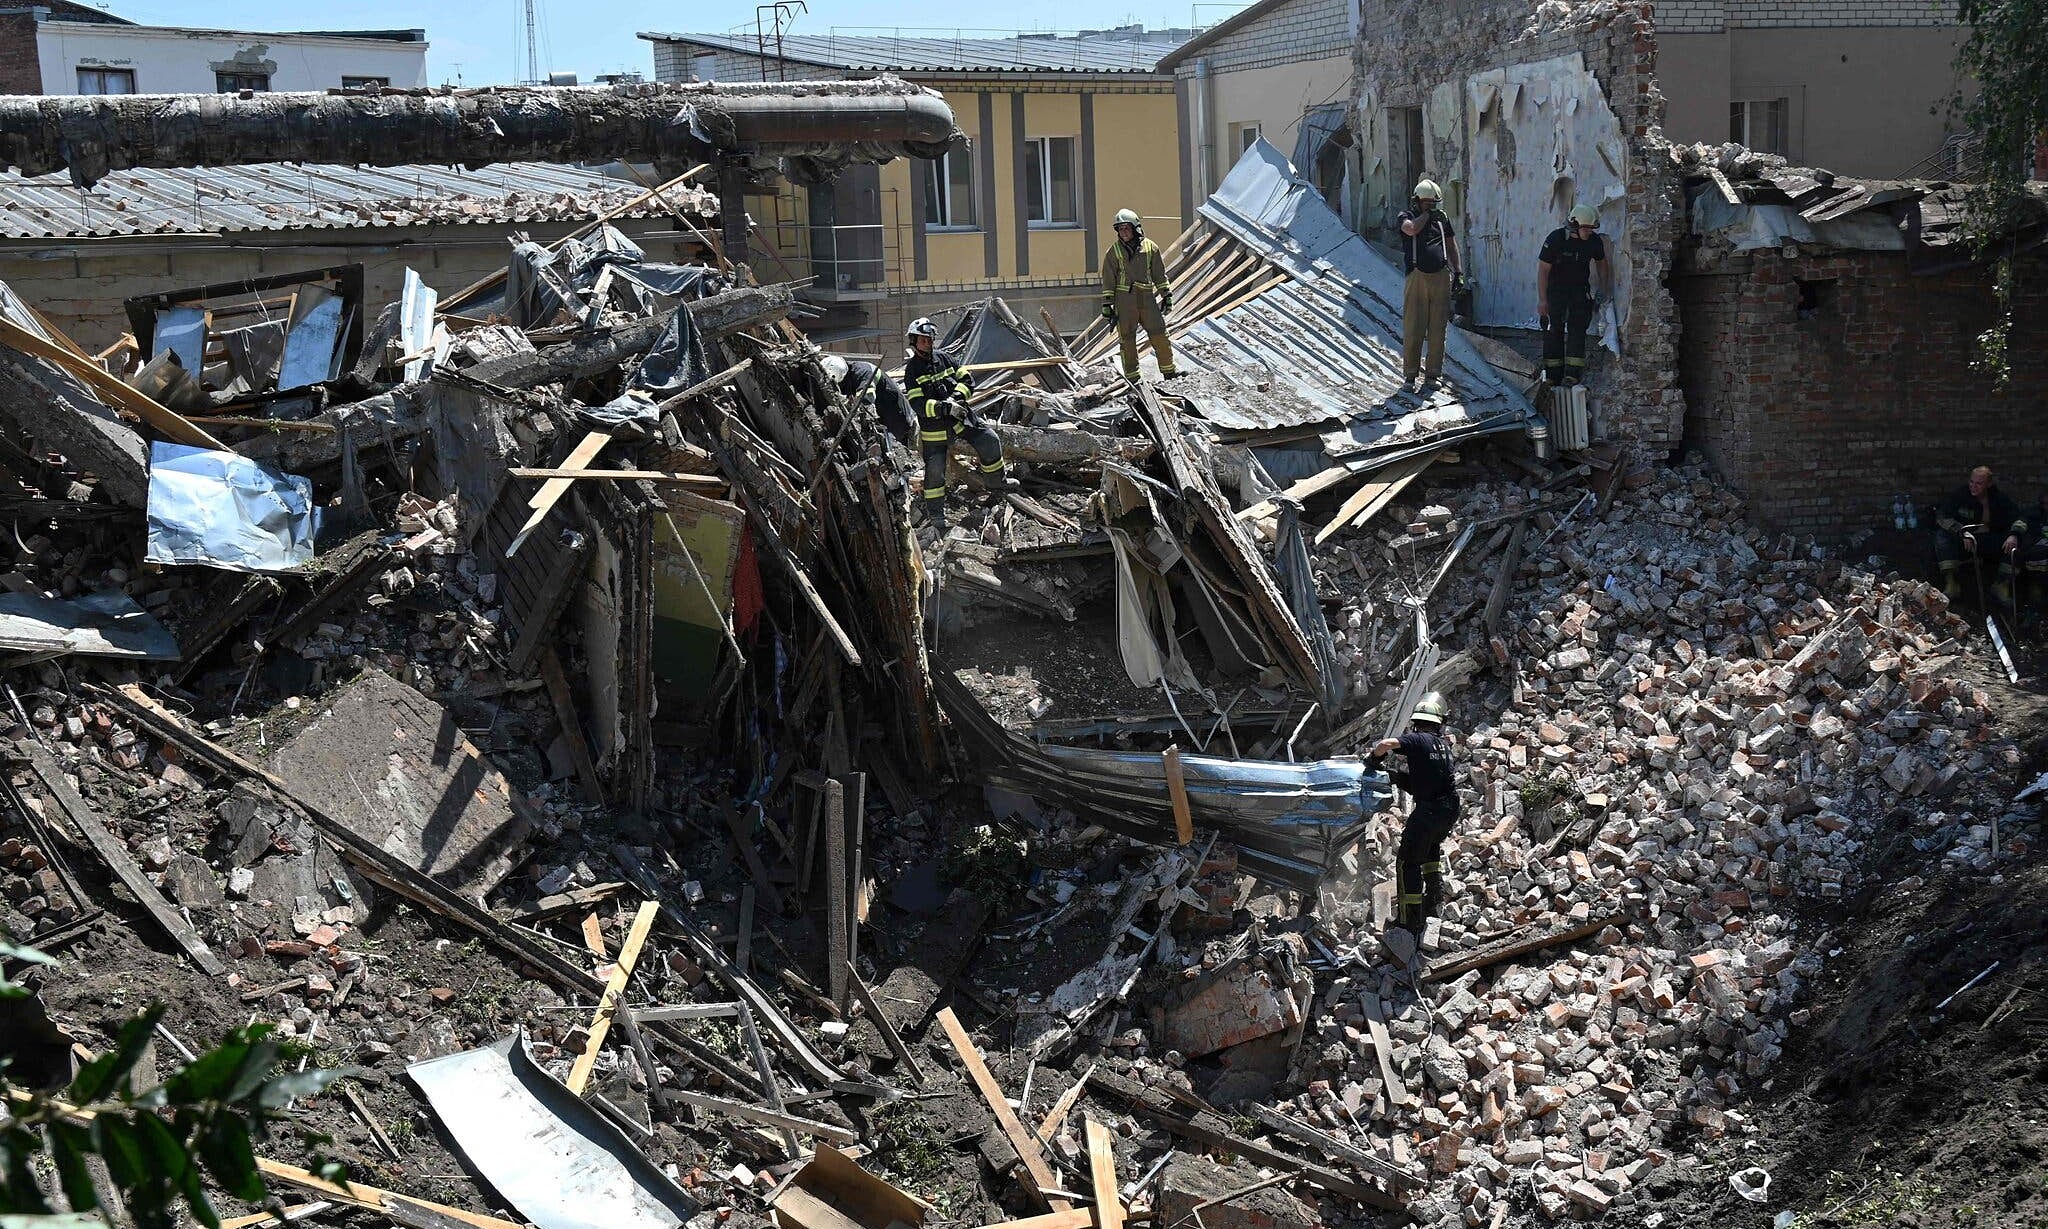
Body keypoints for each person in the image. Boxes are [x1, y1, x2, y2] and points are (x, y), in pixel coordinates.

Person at [1367, 691, 1460, 962]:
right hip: (1448, 808)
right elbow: (1426, 782)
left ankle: (1409, 921)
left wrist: (1374, 761)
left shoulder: (1417, 739)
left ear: (1417, 722)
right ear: (1439, 723)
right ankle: (1434, 898)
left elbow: (1385, 744)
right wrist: (1397, 777)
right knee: (1430, 849)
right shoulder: (1442, 745)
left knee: (1407, 862)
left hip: (1429, 811)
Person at [902, 317, 1012, 530]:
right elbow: (917, 403)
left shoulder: (945, 358)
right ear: (914, 341)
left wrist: (956, 399)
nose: (928, 342)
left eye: (930, 338)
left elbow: (967, 380)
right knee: (935, 473)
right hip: (935, 430)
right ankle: (936, 515)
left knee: (990, 441)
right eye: (923, 339)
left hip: (962, 418)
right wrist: (944, 407)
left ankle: (996, 482)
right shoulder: (912, 370)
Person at [1100, 208, 1179, 382]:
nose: (1123, 232)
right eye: (1120, 229)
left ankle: (1169, 372)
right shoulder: (1114, 252)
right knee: (1127, 339)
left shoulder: (1151, 248)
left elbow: (1159, 273)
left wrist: (1166, 294)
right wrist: (1107, 304)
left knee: (1159, 333)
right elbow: (1108, 278)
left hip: (1146, 297)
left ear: (1136, 228)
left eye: (1126, 228)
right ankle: (1133, 378)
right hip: (1124, 299)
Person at [1537, 203, 1609, 386]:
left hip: (1579, 291)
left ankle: (1572, 375)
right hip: (1556, 292)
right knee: (1554, 331)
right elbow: (1543, 271)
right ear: (1575, 225)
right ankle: (1553, 376)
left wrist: (1603, 288)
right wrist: (1543, 300)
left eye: (1592, 229)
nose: (1590, 232)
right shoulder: (1556, 240)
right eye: (1587, 229)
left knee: (1578, 331)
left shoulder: (1594, 242)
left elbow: (1601, 263)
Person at [1932, 465, 2025, 605]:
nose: (1973, 486)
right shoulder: (1960, 495)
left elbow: (2019, 518)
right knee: (1941, 537)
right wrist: (1961, 531)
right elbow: (1942, 516)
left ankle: (2001, 584)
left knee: (2018, 542)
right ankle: (1951, 583)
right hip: (1964, 541)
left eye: (1979, 483)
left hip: (1990, 540)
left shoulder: (1999, 499)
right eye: (1971, 482)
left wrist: (2014, 535)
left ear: (1989, 484)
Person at [1398, 180, 1461, 388]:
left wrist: (1458, 271)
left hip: (1441, 276)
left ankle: (1433, 375)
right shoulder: (1406, 216)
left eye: (1433, 203)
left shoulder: (1441, 220)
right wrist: (1426, 216)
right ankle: (1410, 375)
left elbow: (1451, 246)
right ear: (1417, 201)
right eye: (1426, 203)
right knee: (1414, 327)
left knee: (1438, 328)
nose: (1431, 207)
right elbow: (1411, 230)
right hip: (1417, 277)